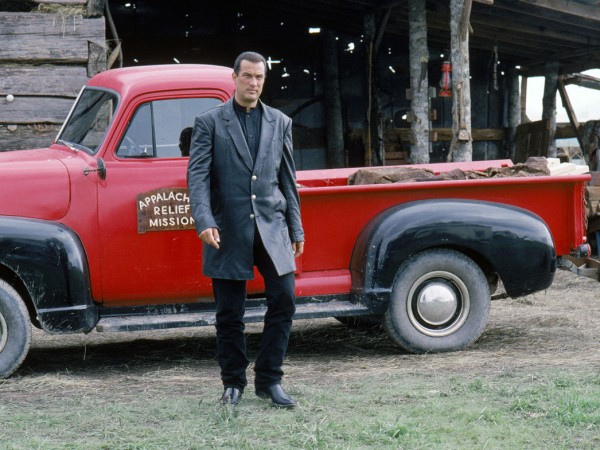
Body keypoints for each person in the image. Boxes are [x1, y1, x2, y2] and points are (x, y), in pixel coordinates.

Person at [187, 51, 304, 408]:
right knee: (229, 313)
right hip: (227, 229)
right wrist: (204, 220)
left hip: (272, 228)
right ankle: (233, 384)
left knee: (284, 299)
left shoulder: (281, 122)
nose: (254, 83)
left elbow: (288, 179)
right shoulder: (209, 122)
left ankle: (270, 380)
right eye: (248, 76)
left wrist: (296, 228)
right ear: (235, 78)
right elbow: (197, 177)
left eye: (259, 77)